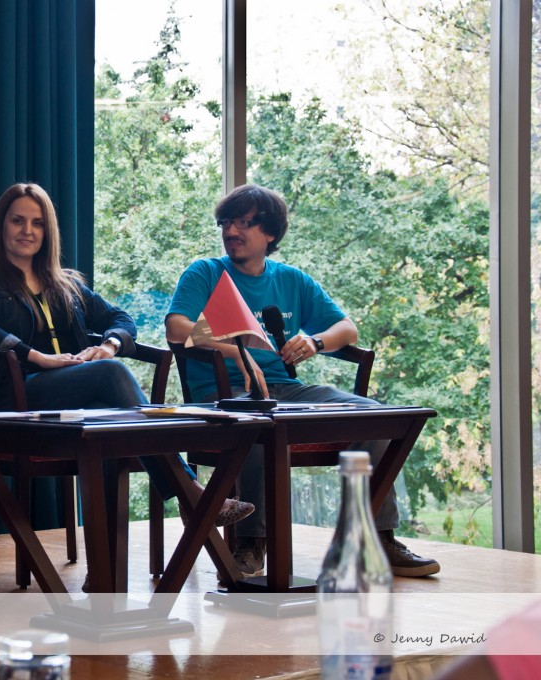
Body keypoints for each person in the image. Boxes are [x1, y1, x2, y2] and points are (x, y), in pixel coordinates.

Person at [165, 183, 440, 579]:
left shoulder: (292, 280)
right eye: (226, 223)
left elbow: (348, 329)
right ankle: (250, 541)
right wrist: (236, 350)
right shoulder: (206, 272)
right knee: (257, 418)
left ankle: (376, 536)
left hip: (288, 392)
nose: (231, 232)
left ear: (270, 233)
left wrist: (315, 341)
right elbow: (176, 328)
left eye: (244, 223)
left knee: (376, 418)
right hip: (223, 396)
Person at [0, 182, 256, 535]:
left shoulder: (64, 283)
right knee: (109, 376)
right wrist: (35, 356)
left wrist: (109, 345)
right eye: (18, 221)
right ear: (0, 226)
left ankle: (108, 569)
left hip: (68, 404)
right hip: (12, 402)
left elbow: (122, 320)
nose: (27, 231)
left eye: (37, 223)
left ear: (47, 232)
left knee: (114, 409)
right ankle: (191, 493)